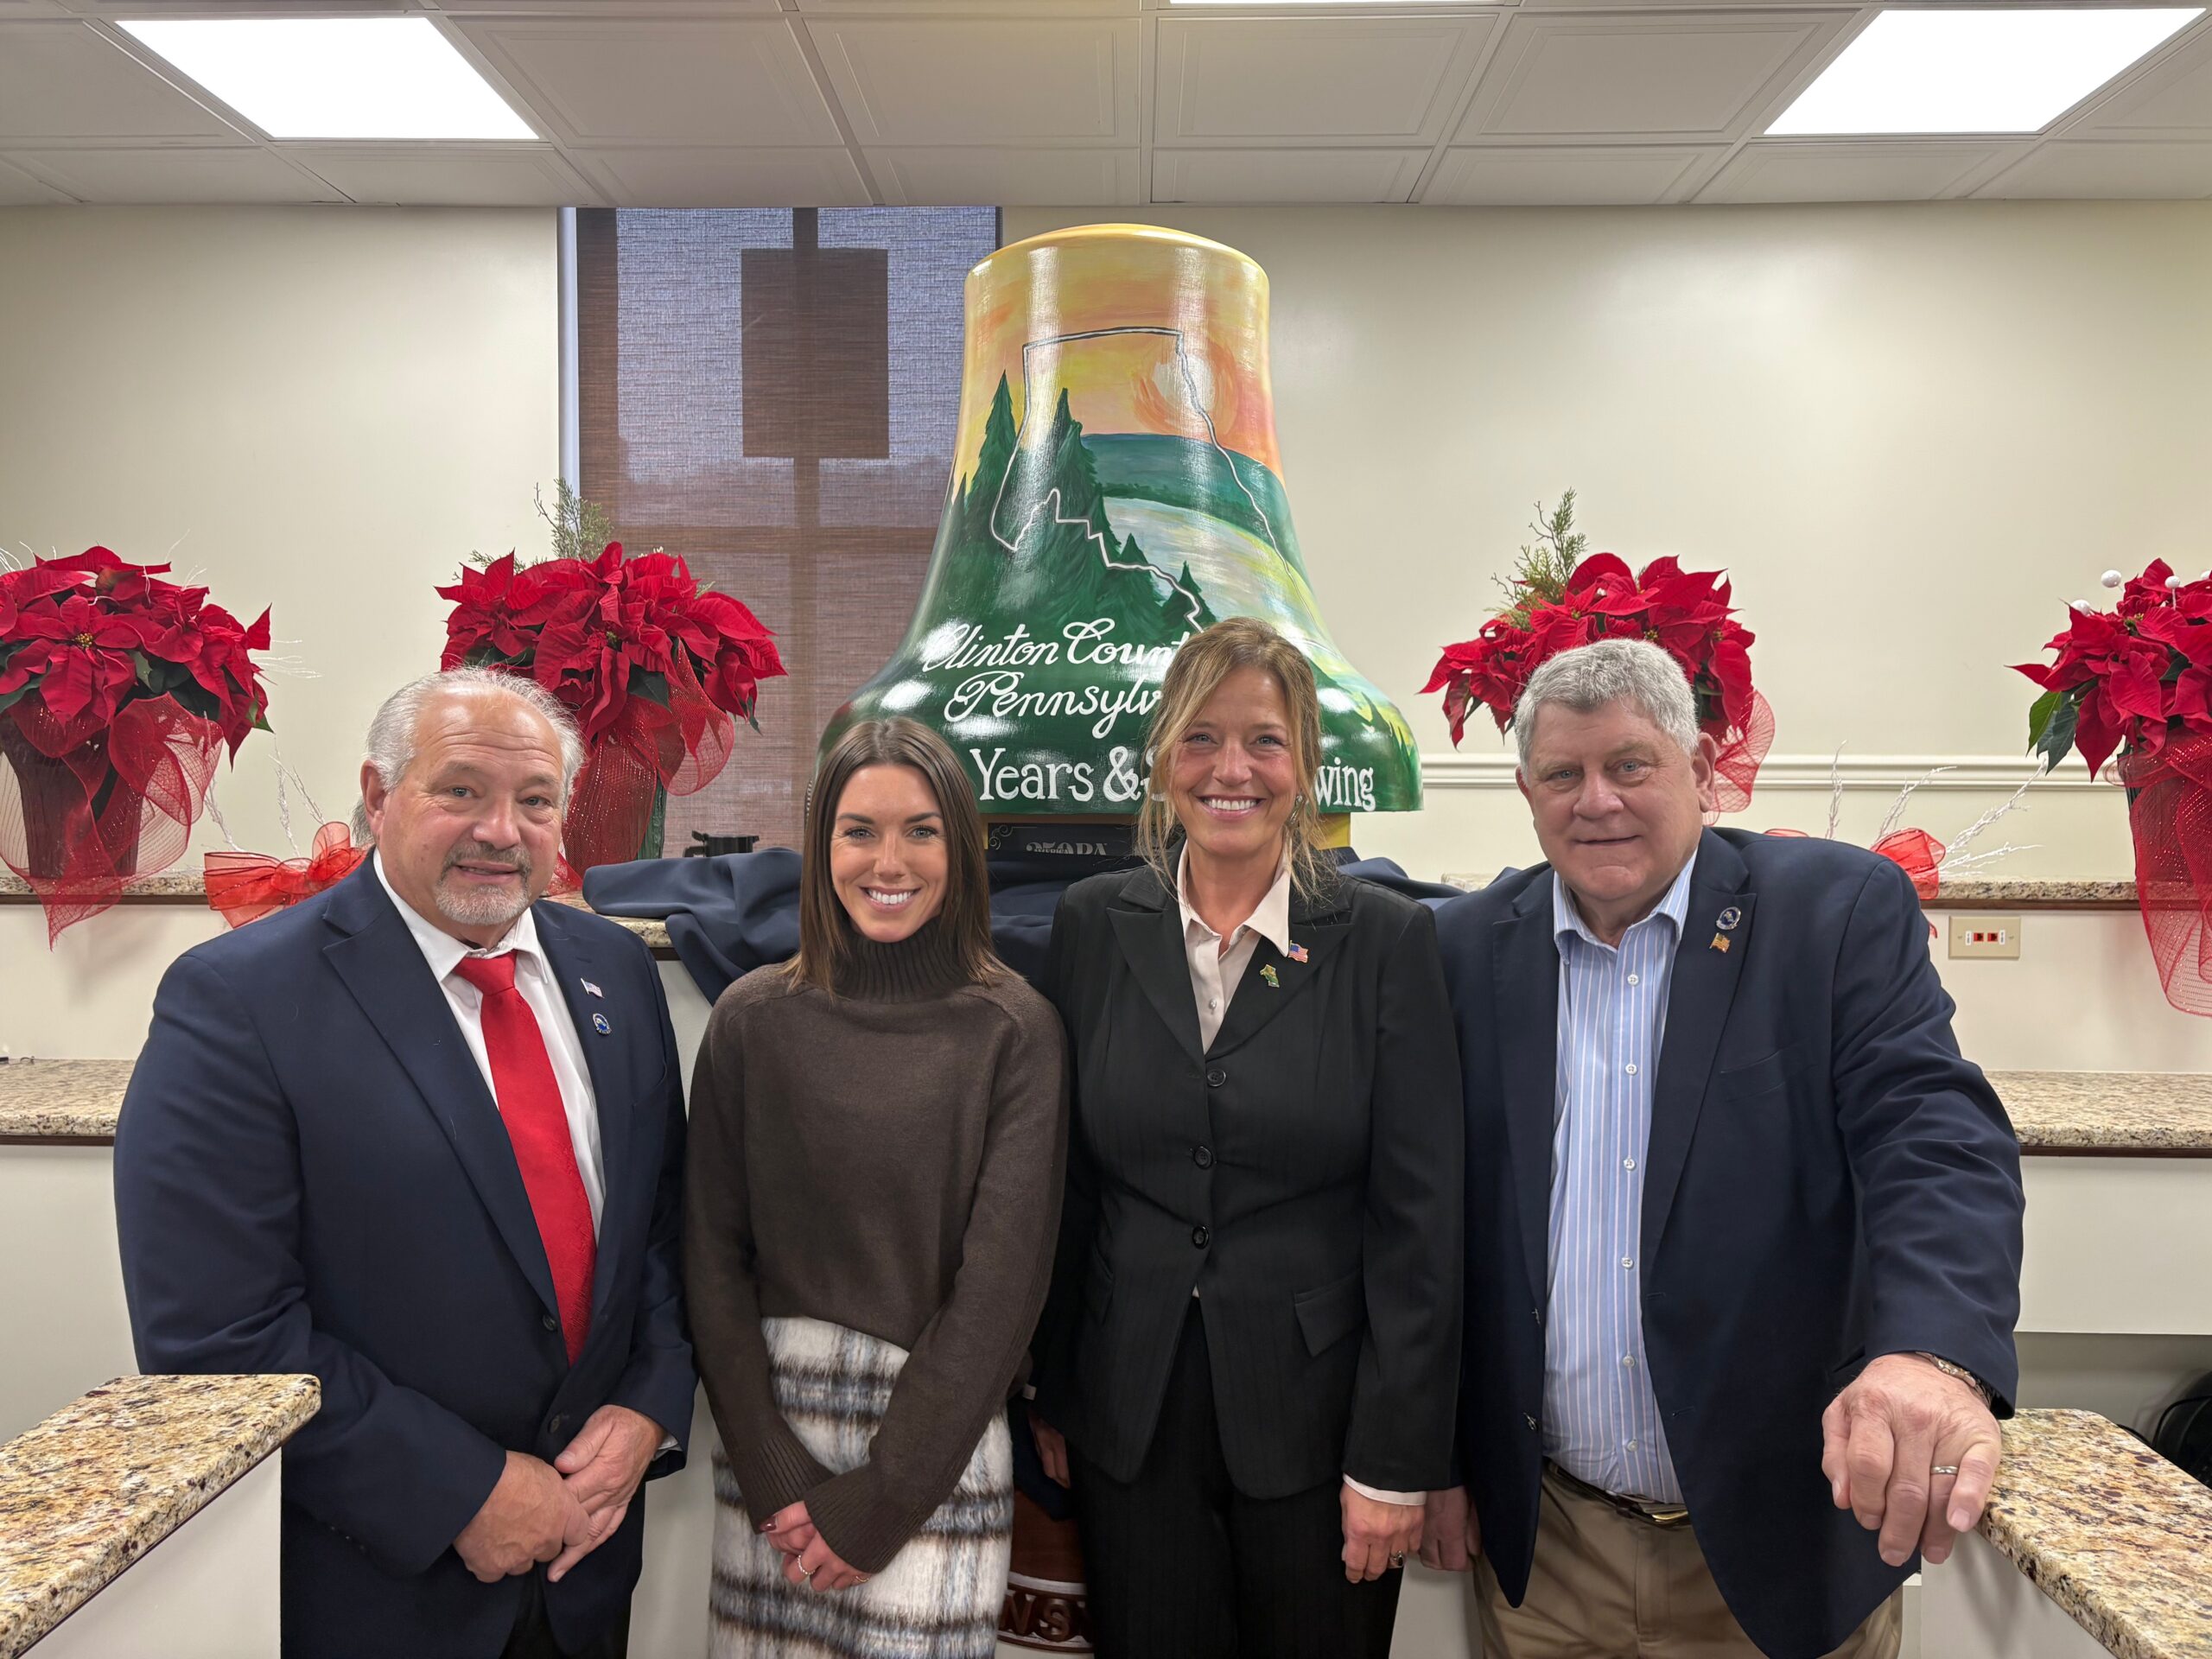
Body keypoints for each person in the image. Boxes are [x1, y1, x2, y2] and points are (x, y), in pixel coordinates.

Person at [1422, 638, 2025, 1659]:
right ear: (1526, 791)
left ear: (1701, 768)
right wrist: (1430, 1456)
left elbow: (1931, 1135)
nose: (1597, 801)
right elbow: (1428, 1223)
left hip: (1776, 1547)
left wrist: (1930, 1355)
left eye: (1630, 765)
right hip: (1549, 1555)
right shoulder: (1462, 949)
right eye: (1563, 774)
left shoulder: (1829, 915)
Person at [113, 667, 695, 1659]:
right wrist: (460, 1492)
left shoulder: (618, 972)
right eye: (460, 790)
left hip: (585, 1578)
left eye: (536, 800)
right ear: (378, 796)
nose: (500, 830)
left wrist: (650, 1404)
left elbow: (661, 1230)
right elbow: (214, 1333)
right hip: (381, 1589)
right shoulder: (239, 1001)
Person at [1028, 616, 1463, 1658]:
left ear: (1304, 763)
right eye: (1200, 738)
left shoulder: (1385, 940)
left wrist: (1394, 1459)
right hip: (1129, 1415)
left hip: (1321, 1424)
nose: (1232, 770)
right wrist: (1054, 1388)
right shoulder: (1092, 925)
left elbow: (1421, 1221)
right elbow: (1069, 1183)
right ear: (1162, 760)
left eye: (1264, 741)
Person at [684, 715, 1067, 1658]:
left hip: (935, 1449)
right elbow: (709, 1253)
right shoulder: (750, 1020)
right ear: (822, 846)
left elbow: (1001, 1290)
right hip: (772, 1445)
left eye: (920, 831)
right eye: (859, 830)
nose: (887, 862)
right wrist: (769, 1465)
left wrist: (887, 1495)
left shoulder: (1015, 1030)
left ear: (961, 847)